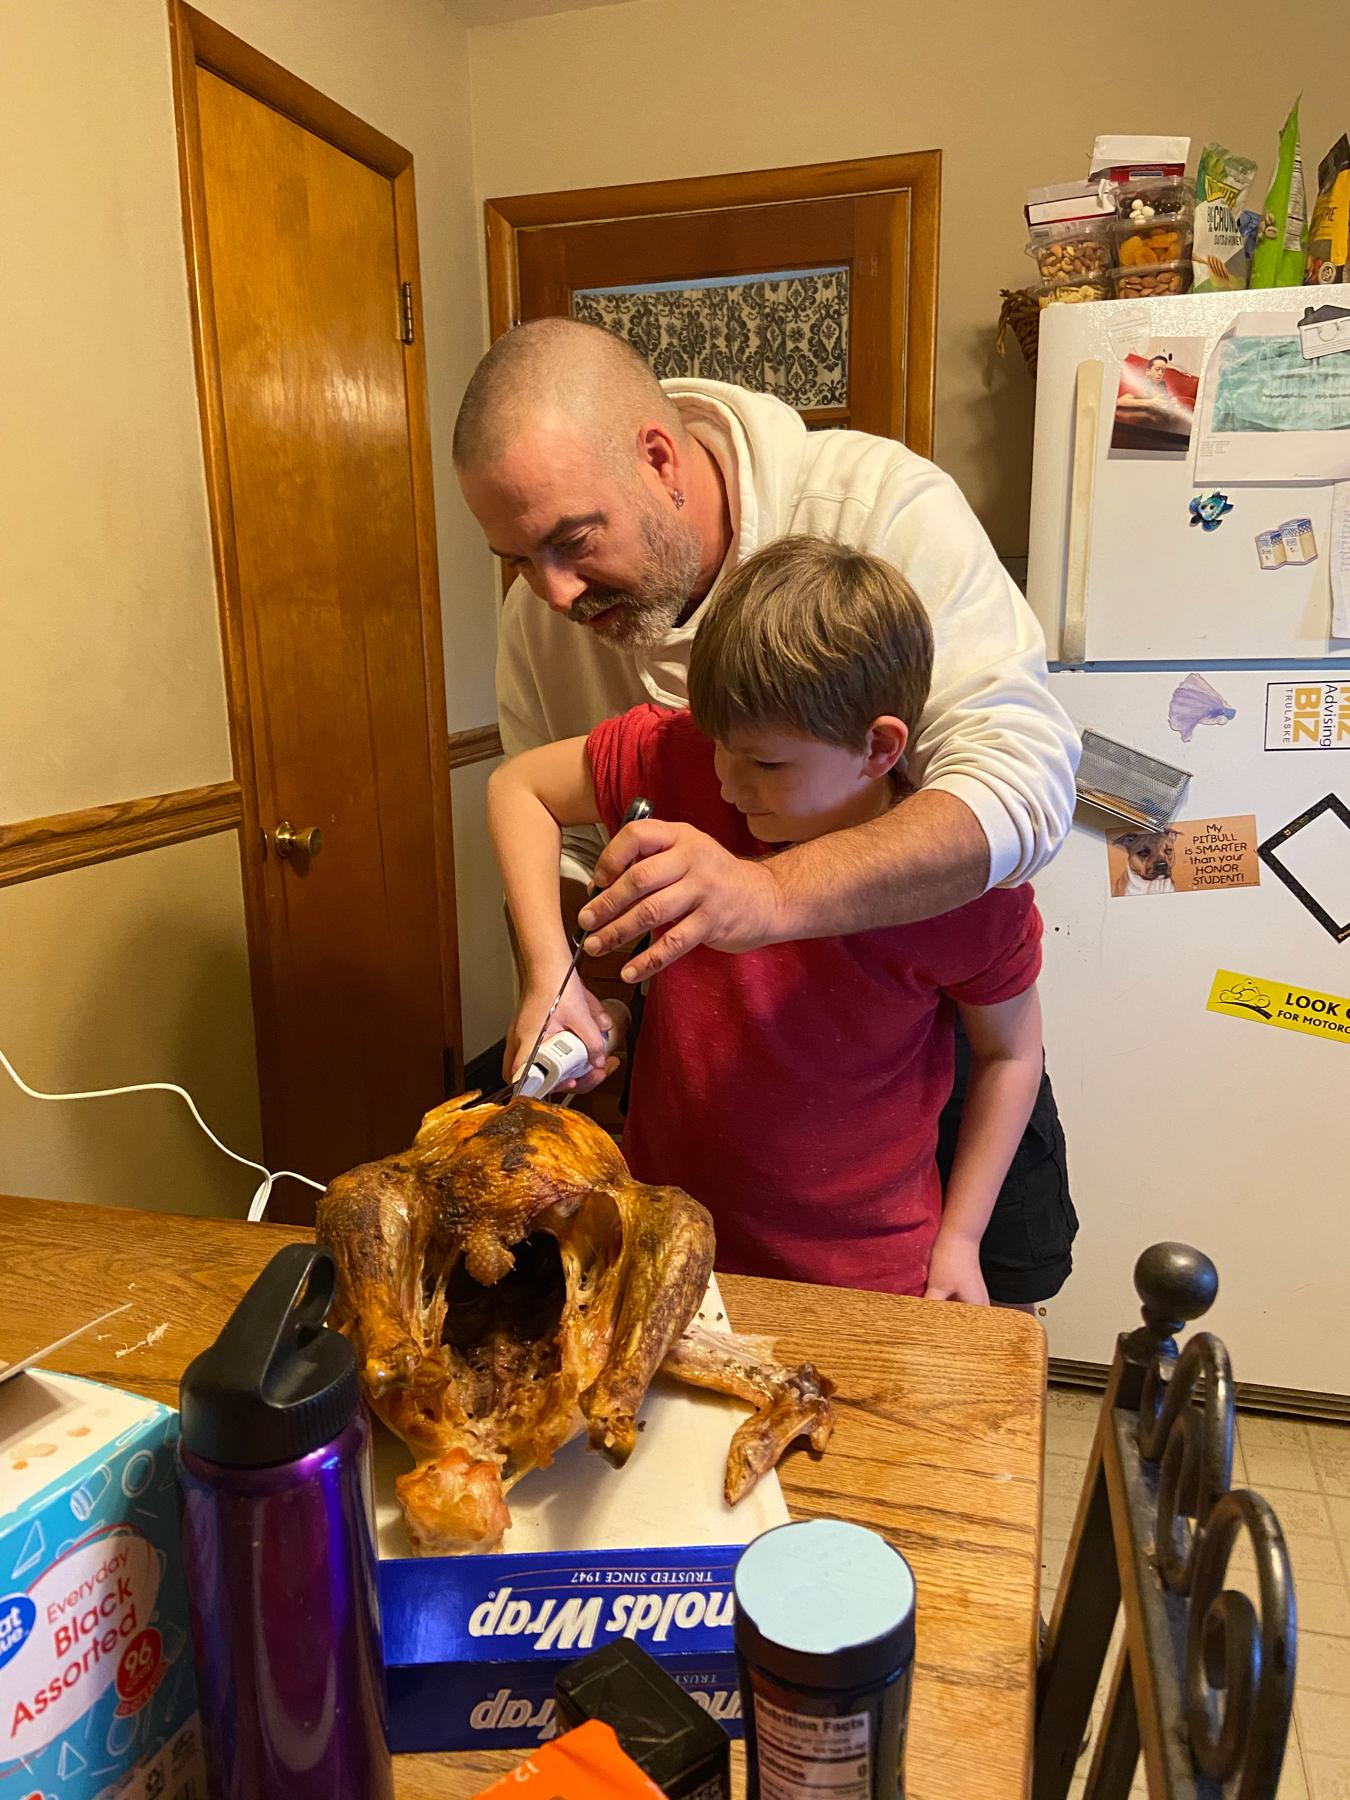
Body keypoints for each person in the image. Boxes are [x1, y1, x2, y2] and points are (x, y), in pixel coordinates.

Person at [457, 316, 1078, 1308]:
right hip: (705, 1150)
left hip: (889, 1134)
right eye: (516, 558)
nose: (553, 590)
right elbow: (544, 811)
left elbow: (1023, 786)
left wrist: (766, 892)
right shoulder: (555, 628)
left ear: (660, 462)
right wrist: (568, 983)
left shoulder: (884, 508)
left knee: (988, 1303)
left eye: (573, 542)